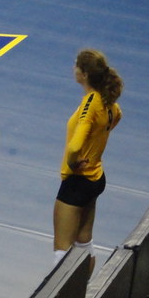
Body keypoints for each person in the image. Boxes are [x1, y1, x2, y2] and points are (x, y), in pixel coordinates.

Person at [52, 50, 123, 266]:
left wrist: (73, 161)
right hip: (95, 177)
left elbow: (75, 144)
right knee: (84, 244)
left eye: (76, 66)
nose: (73, 69)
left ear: (83, 74)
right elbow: (115, 117)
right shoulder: (108, 101)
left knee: (62, 250)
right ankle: (83, 293)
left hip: (77, 181)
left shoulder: (90, 103)